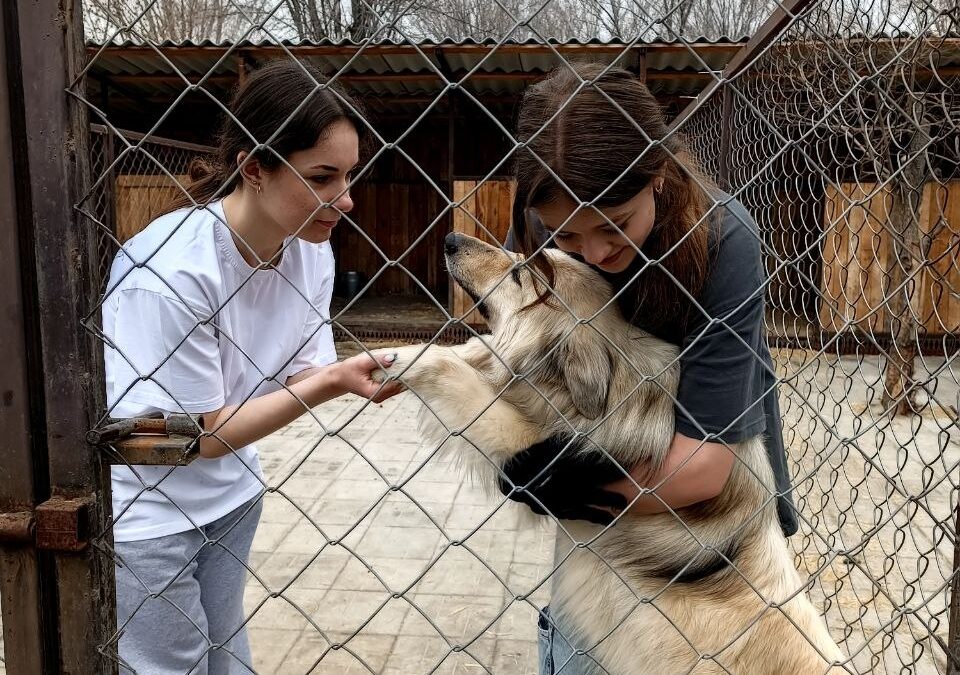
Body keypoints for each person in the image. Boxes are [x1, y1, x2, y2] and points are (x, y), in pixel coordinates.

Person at [102, 61, 401, 674]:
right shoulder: (172, 271)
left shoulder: (310, 249)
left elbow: (300, 369)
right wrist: (332, 383)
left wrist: (406, 369)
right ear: (254, 169)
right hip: (149, 517)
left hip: (233, 497)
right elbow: (185, 438)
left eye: (350, 174)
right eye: (322, 177)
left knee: (228, 661)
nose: (346, 199)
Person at [499, 62, 798, 674]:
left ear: (658, 175)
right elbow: (525, 346)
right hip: (614, 458)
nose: (593, 253)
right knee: (584, 640)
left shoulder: (724, 240)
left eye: (614, 225)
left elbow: (704, 469)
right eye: (565, 236)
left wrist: (577, 489)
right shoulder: (541, 213)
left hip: (712, 506)